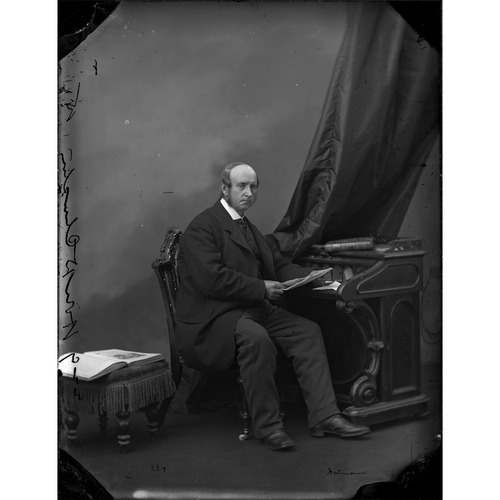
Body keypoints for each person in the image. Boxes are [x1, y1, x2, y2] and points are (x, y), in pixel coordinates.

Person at [175, 162, 370, 450]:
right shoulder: (202, 227)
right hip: (215, 316)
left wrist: (315, 277)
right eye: (241, 186)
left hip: (252, 308)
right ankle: (268, 427)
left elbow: (277, 266)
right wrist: (261, 288)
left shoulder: (249, 228)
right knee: (257, 339)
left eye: (253, 187)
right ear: (224, 189)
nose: (249, 193)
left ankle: (325, 416)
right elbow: (211, 279)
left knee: (306, 331)